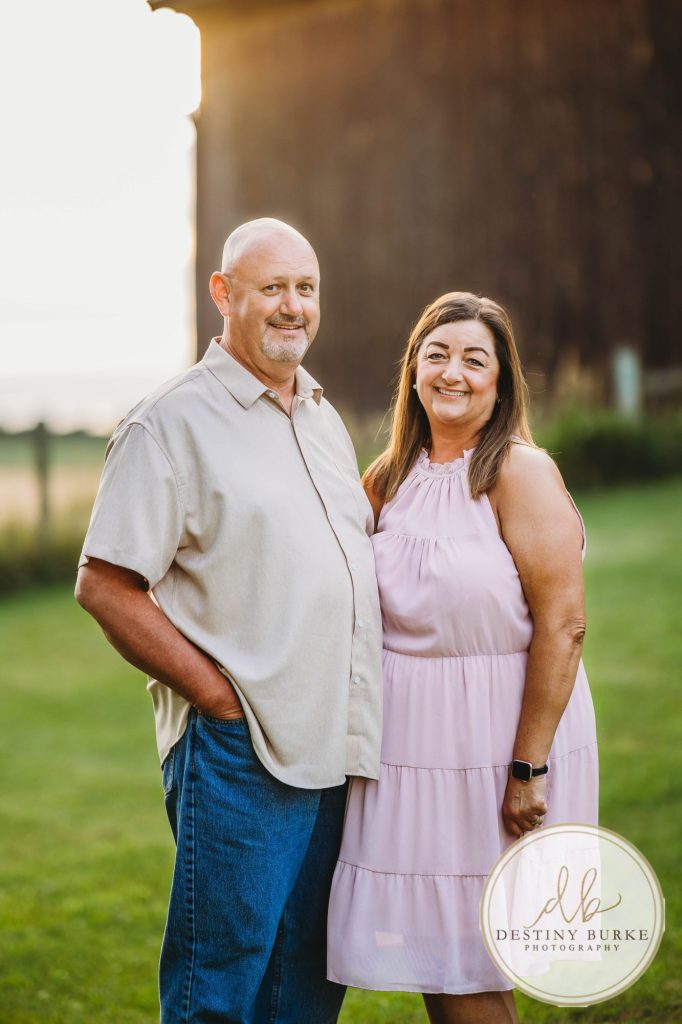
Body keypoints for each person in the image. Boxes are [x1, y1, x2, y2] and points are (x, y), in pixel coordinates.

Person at [75, 218, 383, 1024]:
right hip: (241, 753)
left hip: (334, 748)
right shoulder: (170, 422)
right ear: (224, 294)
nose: (293, 307)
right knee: (220, 990)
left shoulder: (320, 415)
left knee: (307, 989)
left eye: (306, 289)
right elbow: (105, 583)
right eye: (272, 287)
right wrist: (217, 697)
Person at [327, 292, 598, 1024]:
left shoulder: (518, 471)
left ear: (501, 382)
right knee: (440, 958)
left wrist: (528, 767)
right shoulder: (386, 478)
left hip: (499, 747)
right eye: (437, 354)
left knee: (468, 964)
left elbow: (564, 625)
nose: (454, 372)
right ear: (413, 369)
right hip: (411, 758)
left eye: (475, 359)